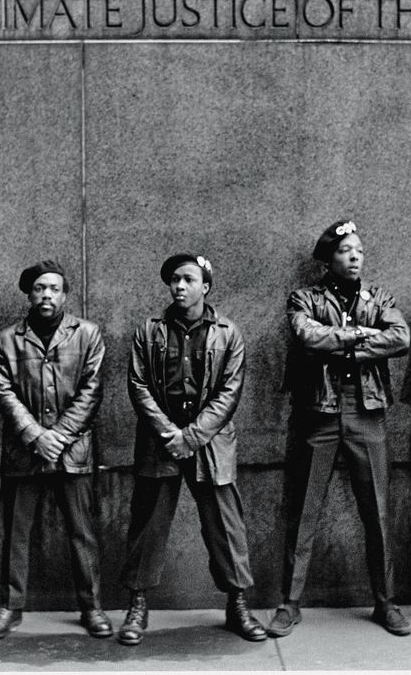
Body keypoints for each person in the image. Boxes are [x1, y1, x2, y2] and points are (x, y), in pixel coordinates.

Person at [268, 220, 411, 638]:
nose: (355, 257)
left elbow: (400, 338)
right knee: (304, 511)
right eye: (346, 251)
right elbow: (308, 336)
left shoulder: (379, 297)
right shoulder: (305, 298)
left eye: (360, 251)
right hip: (319, 411)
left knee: (377, 512)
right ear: (329, 258)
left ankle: (386, 602)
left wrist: (345, 345)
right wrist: (363, 335)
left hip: (367, 411)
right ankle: (289, 603)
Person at [117, 253, 266, 646]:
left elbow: (229, 392)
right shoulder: (149, 331)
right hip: (160, 441)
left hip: (210, 443)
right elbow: (138, 385)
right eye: (174, 280)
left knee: (225, 526)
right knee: (148, 525)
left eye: (188, 279)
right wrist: (170, 433)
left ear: (206, 287)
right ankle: (137, 606)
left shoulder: (228, 333)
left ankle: (237, 604)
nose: (179, 286)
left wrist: (192, 436)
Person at [0, 260, 110, 640]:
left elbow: (92, 391)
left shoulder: (87, 334)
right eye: (39, 288)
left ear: (65, 295)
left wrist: (58, 436)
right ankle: (10, 608)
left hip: (73, 452)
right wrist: (37, 436)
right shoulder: (9, 339)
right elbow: (4, 392)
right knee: (16, 534)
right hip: (25, 452)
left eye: (54, 289)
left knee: (82, 533)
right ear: (29, 294)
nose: (46, 295)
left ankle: (92, 607)